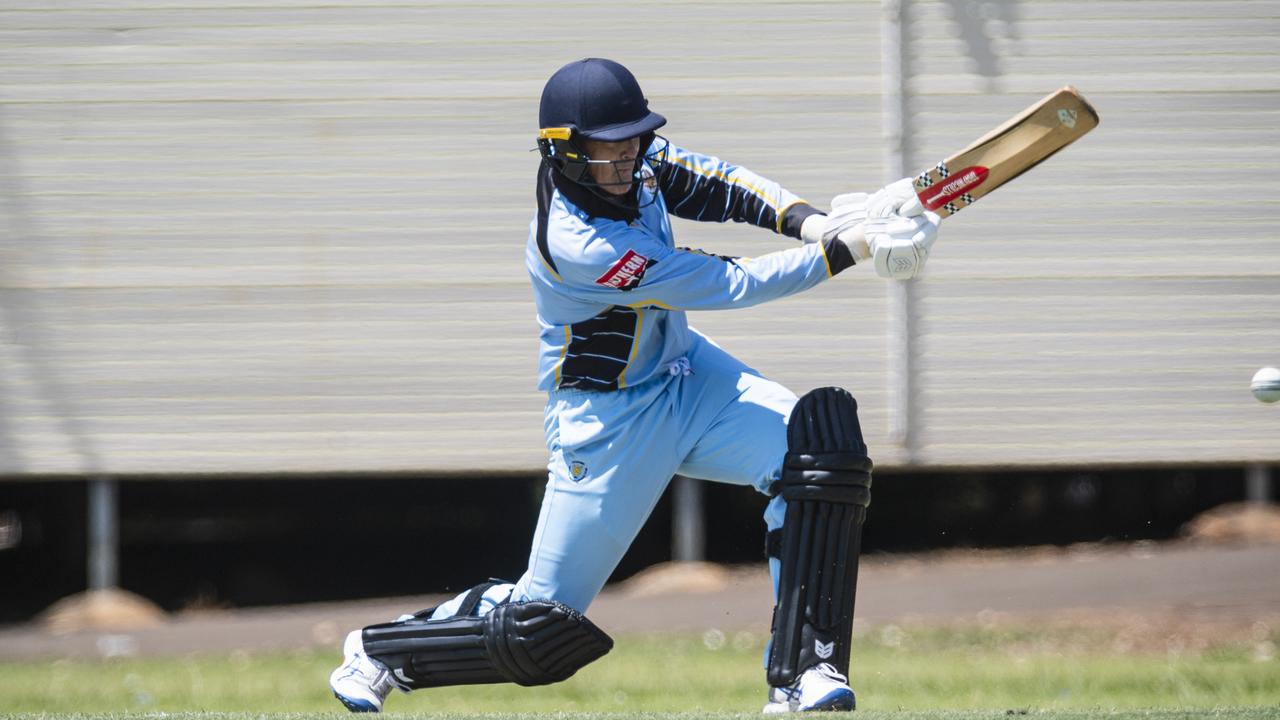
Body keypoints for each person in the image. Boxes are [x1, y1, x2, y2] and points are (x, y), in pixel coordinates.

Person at [329, 57, 940, 714]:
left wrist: (814, 222)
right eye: (607, 149)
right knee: (540, 626)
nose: (626, 162)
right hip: (610, 422)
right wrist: (849, 250)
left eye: (634, 141)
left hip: (690, 378)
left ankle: (801, 676)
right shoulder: (576, 243)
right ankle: (382, 651)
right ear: (563, 153)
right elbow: (727, 283)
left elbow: (722, 184)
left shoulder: (635, 161)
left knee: (819, 460)